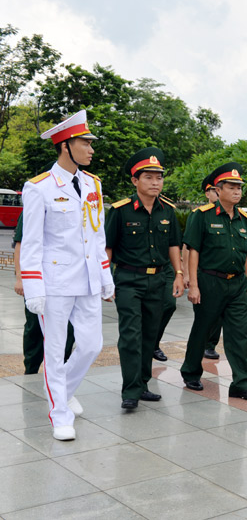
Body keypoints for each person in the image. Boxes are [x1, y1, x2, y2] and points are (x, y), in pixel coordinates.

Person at [20, 110, 114, 441]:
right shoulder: (39, 188)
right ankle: (59, 412)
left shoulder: (92, 184)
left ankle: (64, 389)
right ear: (65, 146)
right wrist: (33, 287)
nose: (91, 149)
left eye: (90, 142)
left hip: (87, 279)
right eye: (85, 142)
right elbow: (31, 242)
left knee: (91, 345)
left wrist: (105, 278)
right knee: (55, 349)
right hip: (55, 283)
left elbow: (97, 234)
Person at [106, 147, 184, 409]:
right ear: (135, 180)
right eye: (148, 177)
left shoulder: (168, 211)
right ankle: (130, 390)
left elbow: (174, 245)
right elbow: (107, 248)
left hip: (158, 280)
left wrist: (179, 274)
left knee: (150, 335)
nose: (155, 182)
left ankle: (143, 384)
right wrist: (105, 279)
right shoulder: (121, 211)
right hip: (128, 279)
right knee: (130, 334)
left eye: (159, 177)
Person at [181, 163, 247, 401]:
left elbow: (246, 256)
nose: (237, 191)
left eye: (239, 187)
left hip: (236, 285)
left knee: (240, 333)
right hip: (209, 282)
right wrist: (193, 284)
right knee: (203, 329)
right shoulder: (202, 216)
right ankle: (191, 372)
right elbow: (193, 250)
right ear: (219, 189)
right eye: (232, 187)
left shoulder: (244, 219)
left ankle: (241, 383)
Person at [12, 201, 74, 374]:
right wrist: (21, 278)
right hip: (37, 279)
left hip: (66, 280)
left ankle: (60, 367)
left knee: (68, 327)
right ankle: (31, 368)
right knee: (34, 327)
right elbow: (20, 245)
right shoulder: (35, 207)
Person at [178, 173, 225, 360]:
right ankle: (200, 347)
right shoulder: (200, 215)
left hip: (223, 276)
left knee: (220, 313)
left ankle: (210, 345)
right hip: (203, 272)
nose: (217, 194)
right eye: (214, 190)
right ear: (208, 193)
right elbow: (188, 247)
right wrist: (187, 273)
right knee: (205, 314)